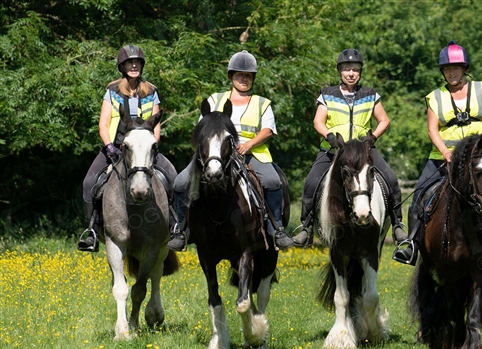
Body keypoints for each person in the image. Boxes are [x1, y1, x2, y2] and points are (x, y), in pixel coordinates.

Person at [393, 41, 482, 265]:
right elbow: (432, 129)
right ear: (443, 72)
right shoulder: (435, 97)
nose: (452, 72)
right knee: (420, 194)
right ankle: (410, 245)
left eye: (456, 68)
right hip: (445, 156)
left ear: (465, 70)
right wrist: (444, 151)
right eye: (448, 69)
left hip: (480, 156)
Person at [167, 50, 294, 251]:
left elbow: (268, 130)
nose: (244, 78)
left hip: (251, 152)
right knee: (181, 182)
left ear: (253, 78)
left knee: (272, 181)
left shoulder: (262, 103)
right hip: (214, 154)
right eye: (239, 74)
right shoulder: (214, 100)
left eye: (248, 75)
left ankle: (276, 228)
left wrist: (249, 144)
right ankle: (180, 230)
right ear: (230, 77)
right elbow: (201, 130)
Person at [292, 48, 406, 247]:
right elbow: (318, 121)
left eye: (355, 69)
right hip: (334, 150)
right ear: (340, 71)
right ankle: (306, 228)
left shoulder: (370, 94)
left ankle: (397, 225)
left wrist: (372, 138)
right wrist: (328, 136)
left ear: (360, 72)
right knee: (311, 182)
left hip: (363, 150)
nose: (351, 73)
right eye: (346, 69)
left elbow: (384, 120)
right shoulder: (327, 94)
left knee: (391, 179)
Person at [78, 44, 178, 252]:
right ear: (122, 66)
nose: (134, 65)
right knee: (89, 182)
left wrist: (152, 146)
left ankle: (176, 228)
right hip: (116, 147)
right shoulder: (112, 91)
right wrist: (109, 146)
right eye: (129, 62)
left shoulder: (151, 91)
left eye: (137, 62)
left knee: (174, 178)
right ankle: (92, 231)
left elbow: (156, 124)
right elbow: (103, 124)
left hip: (145, 149)